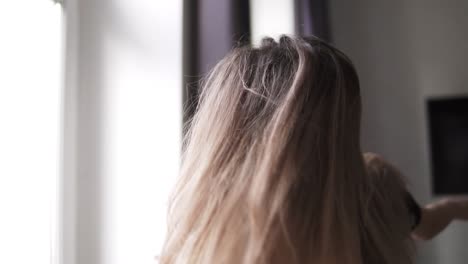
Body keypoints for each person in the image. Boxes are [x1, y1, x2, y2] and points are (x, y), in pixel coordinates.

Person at [160, 35, 468, 264]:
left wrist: (452, 207)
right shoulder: (367, 191)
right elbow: (425, 222)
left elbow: (425, 221)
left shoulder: (195, 240)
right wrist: (451, 209)